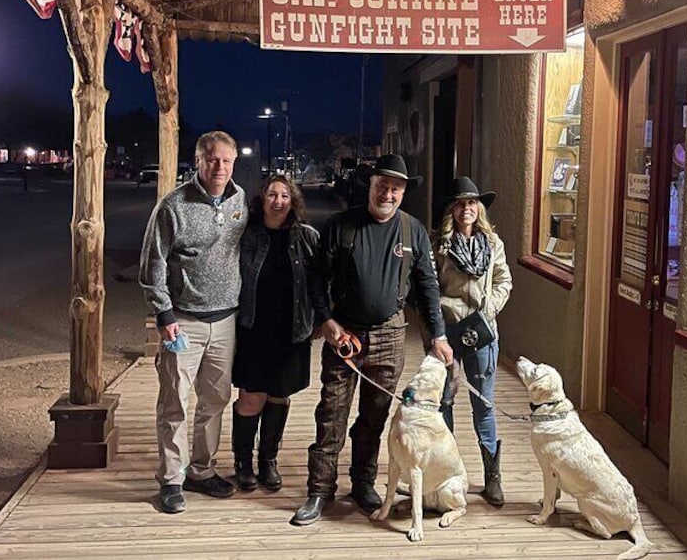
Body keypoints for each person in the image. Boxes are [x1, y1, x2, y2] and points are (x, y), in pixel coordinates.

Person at [291, 154, 454, 526]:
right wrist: (327, 321)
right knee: (331, 414)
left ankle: (363, 483)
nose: (388, 193)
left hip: (390, 335)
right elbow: (315, 280)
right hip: (345, 335)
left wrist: (439, 336)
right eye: (383, 185)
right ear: (371, 184)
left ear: (403, 192)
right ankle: (319, 490)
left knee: (374, 417)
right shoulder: (340, 226)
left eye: (396, 188)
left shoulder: (414, 232)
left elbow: (428, 288)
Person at [139, 131, 248, 514]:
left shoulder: (239, 201)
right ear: (198, 161)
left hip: (225, 320)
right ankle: (171, 479)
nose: (219, 167)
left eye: (226, 161)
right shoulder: (174, 206)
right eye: (212, 160)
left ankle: (202, 470)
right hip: (182, 322)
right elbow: (152, 264)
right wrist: (164, 314)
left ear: (234, 163)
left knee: (215, 399)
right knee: (175, 402)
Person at [231, 174, 319, 492]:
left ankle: (268, 460)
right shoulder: (247, 235)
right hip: (253, 327)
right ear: (262, 199)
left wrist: (323, 319)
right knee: (251, 397)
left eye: (284, 196)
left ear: (293, 201)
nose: (278, 201)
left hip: (292, 330)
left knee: (279, 395)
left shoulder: (306, 237)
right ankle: (242, 462)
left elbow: (322, 282)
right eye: (272, 194)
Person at [433, 176, 512, 507]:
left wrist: (489, 308)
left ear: (478, 208)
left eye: (472, 203)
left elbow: (503, 280)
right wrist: (442, 315)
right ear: (452, 209)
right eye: (461, 203)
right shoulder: (438, 244)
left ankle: (492, 476)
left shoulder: (493, 244)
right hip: (448, 331)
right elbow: (428, 286)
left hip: (482, 332)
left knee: (484, 404)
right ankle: (448, 472)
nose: (467, 208)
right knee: (444, 401)